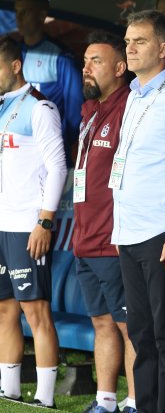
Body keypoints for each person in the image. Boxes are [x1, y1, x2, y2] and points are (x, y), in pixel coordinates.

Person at [112, 10, 165, 413]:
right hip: (130, 232)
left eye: (140, 41)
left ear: (164, 48)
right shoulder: (135, 94)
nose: (130, 48)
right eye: (128, 41)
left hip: (162, 233)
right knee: (141, 335)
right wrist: (119, 230)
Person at [0, 36, 67, 408]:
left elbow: (58, 167)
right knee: (4, 309)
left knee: (35, 310)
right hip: (1, 224)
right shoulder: (2, 106)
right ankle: (9, 389)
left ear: (15, 66)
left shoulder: (40, 107)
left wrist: (45, 221)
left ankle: (44, 397)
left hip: (27, 224)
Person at [73, 32, 137, 413]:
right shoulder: (89, 110)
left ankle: (136, 402)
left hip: (113, 240)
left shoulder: (129, 107)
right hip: (85, 238)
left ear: (119, 68)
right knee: (101, 323)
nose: (87, 68)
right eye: (85, 61)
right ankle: (105, 400)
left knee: (130, 328)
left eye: (95, 61)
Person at [14, 0, 83, 158]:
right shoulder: (11, 53)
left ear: (41, 15)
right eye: (17, 12)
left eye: (25, 12)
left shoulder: (61, 57)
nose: (18, 18)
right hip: (15, 151)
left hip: (48, 153)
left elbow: (75, 112)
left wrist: (58, 144)